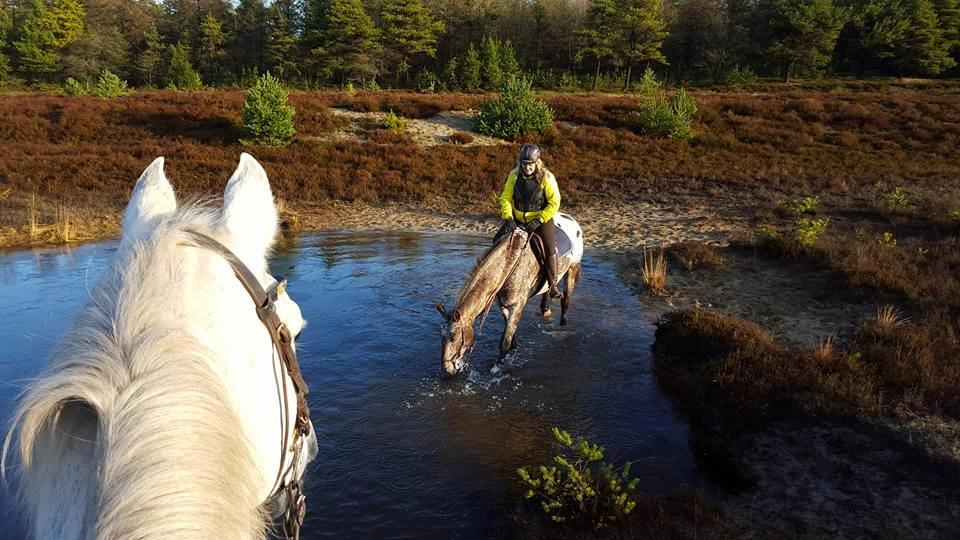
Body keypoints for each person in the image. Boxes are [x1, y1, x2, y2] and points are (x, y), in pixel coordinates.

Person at [497, 143, 563, 298]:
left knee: (549, 248)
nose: (527, 167)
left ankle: (553, 285)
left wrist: (539, 220)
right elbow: (505, 198)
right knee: (497, 240)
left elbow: (555, 203)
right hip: (518, 219)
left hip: (540, 219)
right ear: (520, 163)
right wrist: (508, 217)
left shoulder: (546, 177)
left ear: (537, 162)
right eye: (524, 164)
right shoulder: (513, 176)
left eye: (530, 164)